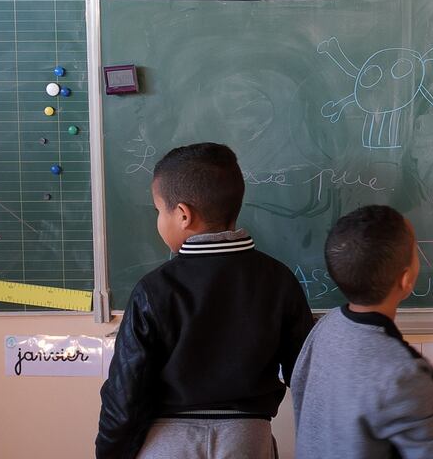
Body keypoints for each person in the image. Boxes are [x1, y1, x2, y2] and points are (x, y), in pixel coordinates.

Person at [96, 143, 314, 459]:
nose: (157, 220)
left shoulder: (154, 289)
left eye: (159, 210)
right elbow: (307, 376)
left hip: (167, 442)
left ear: (183, 215)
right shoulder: (279, 280)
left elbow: (125, 392)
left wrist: (110, 453)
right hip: (248, 439)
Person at [292, 204, 433, 458]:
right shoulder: (402, 374)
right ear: (406, 280)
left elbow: (300, 394)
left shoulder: (324, 329)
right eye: (416, 251)